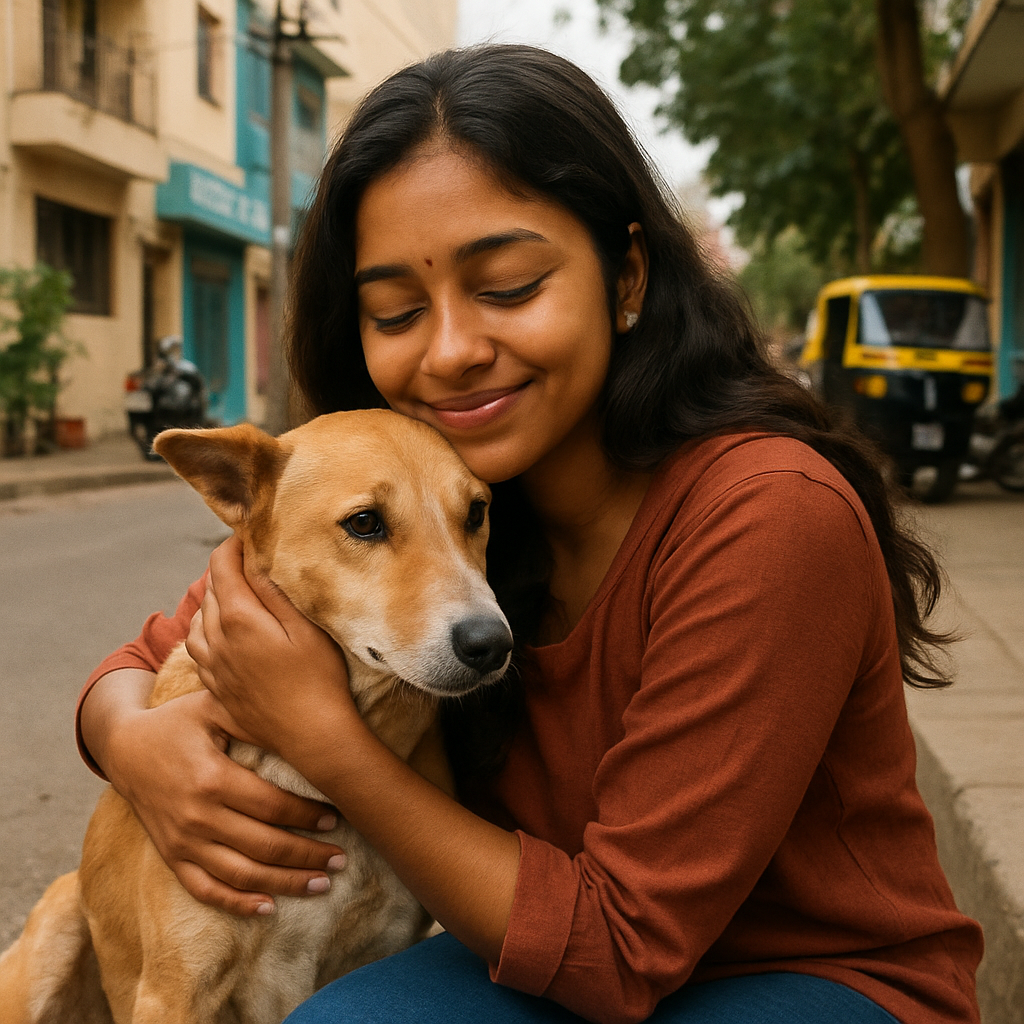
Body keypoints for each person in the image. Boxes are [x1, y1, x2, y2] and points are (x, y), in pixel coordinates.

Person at [77, 44, 982, 1024]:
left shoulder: (767, 514)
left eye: (507, 286)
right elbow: (149, 659)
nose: (453, 351)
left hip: (803, 980)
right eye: (397, 309)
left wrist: (326, 741)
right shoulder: (438, 488)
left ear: (626, 273)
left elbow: (622, 946)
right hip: (547, 958)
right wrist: (136, 744)